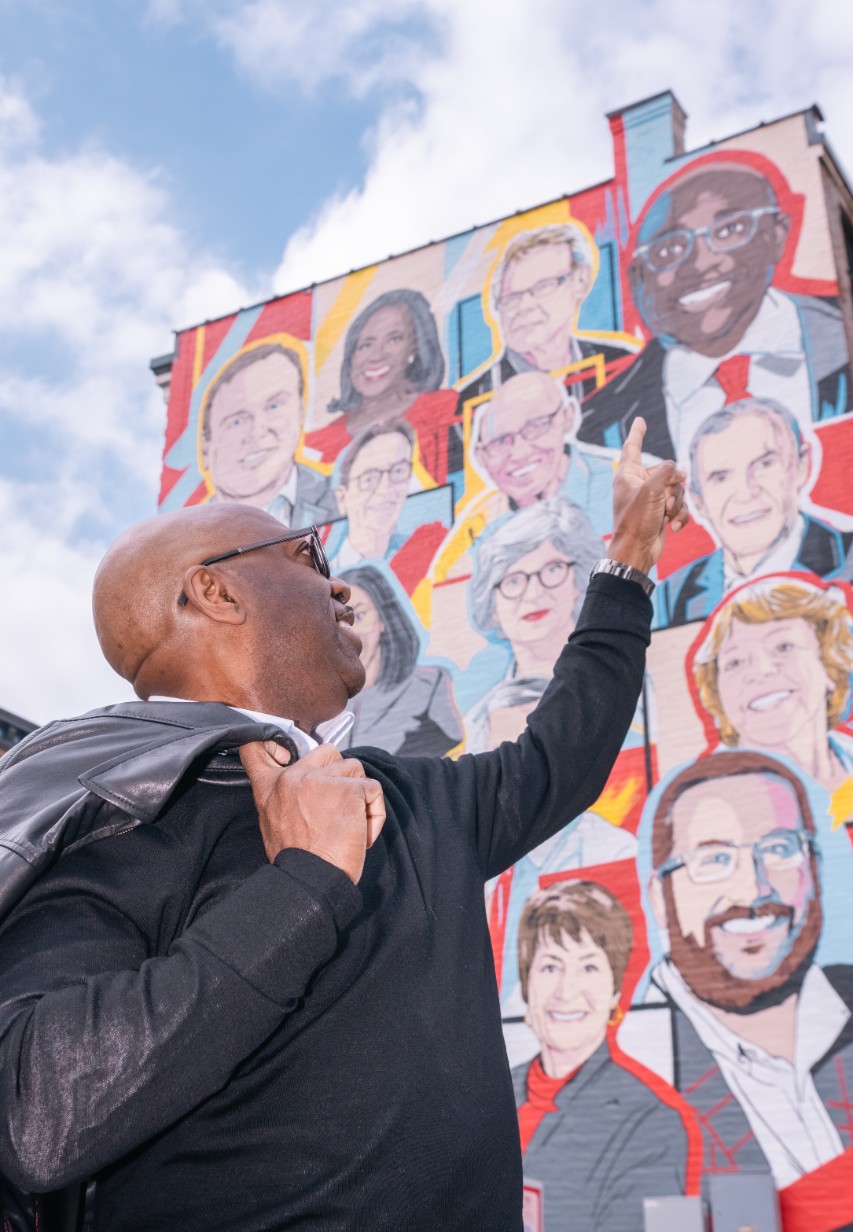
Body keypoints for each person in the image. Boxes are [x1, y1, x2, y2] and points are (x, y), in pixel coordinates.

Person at [0, 418, 687, 1231]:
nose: (339, 586)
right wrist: (302, 886)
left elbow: (561, 756)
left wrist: (629, 563)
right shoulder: (117, 805)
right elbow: (41, 1113)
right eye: (305, 557)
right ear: (214, 592)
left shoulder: (409, 797)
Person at [618, 751, 853, 1192]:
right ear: (660, 898)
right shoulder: (630, 1074)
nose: (753, 887)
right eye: (713, 859)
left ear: (814, 868)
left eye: (780, 849)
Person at [578, 159, 852, 462]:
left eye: (729, 230)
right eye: (668, 250)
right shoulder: (599, 427)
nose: (700, 263)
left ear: (777, 234)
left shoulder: (839, 345)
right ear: (638, 278)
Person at [513, 880, 688, 1232]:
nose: (567, 991)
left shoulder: (651, 1124)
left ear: (615, 991)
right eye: (550, 967)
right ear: (526, 984)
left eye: (589, 967)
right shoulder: (489, 1092)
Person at [656, 397, 853, 626]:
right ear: (698, 500)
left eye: (765, 465)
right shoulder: (671, 596)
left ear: (801, 466)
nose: (746, 493)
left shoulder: (847, 556)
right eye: (720, 477)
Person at [466, 498, 606, 753]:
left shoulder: (623, 688)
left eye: (552, 569)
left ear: (579, 581)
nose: (533, 594)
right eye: (513, 581)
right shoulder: (478, 720)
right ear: (492, 606)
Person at [693, 577, 853, 796]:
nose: (761, 670)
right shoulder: (700, 797)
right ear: (716, 692)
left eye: (783, 646)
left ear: (829, 663)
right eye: (735, 662)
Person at [456, 224, 636, 410]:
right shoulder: (471, 404)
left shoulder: (623, 367)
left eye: (543, 286)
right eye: (512, 299)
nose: (524, 307)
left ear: (580, 280)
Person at [304, 288, 459, 483]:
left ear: (416, 347)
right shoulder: (315, 446)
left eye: (394, 339)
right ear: (351, 357)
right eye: (365, 345)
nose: (376, 355)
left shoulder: (447, 410)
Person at [201, 341, 336, 525]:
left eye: (274, 406)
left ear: (300, 412)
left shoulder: (348, 502)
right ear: (205, 447)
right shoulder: (185, 540)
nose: (258, 432)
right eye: (237, 421)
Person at [336, 563, 462, 757]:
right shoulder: (329, 704)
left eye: (359, 616)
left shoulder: (429, 685)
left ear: (383, 620)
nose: (351, 632)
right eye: (340, 621)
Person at [470, 371, 615, 535]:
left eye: (536, 426)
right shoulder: (478, 527)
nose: (519, 454)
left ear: (567, 417)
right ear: (481, 456)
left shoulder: (629, 487)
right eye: (500, 441)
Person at [325, 419, 448, 587]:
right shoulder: (320, 579)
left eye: (398, 471)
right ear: (342, 498)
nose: (385, 489)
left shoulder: (428, 558)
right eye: (369, 479)